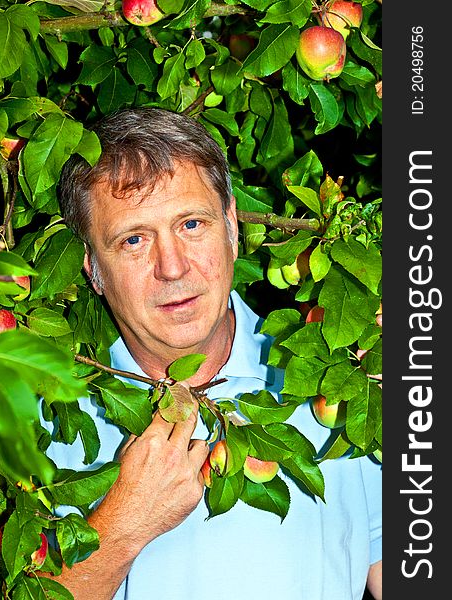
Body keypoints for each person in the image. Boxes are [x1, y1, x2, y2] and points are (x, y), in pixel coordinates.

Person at [47, 107, 382, 600]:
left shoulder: (336, 379)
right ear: (93, 268)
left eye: (191, 225)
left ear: (231, 226)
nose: (172, 267)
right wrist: (123, 524)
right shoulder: (45, 421)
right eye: (134, 239)